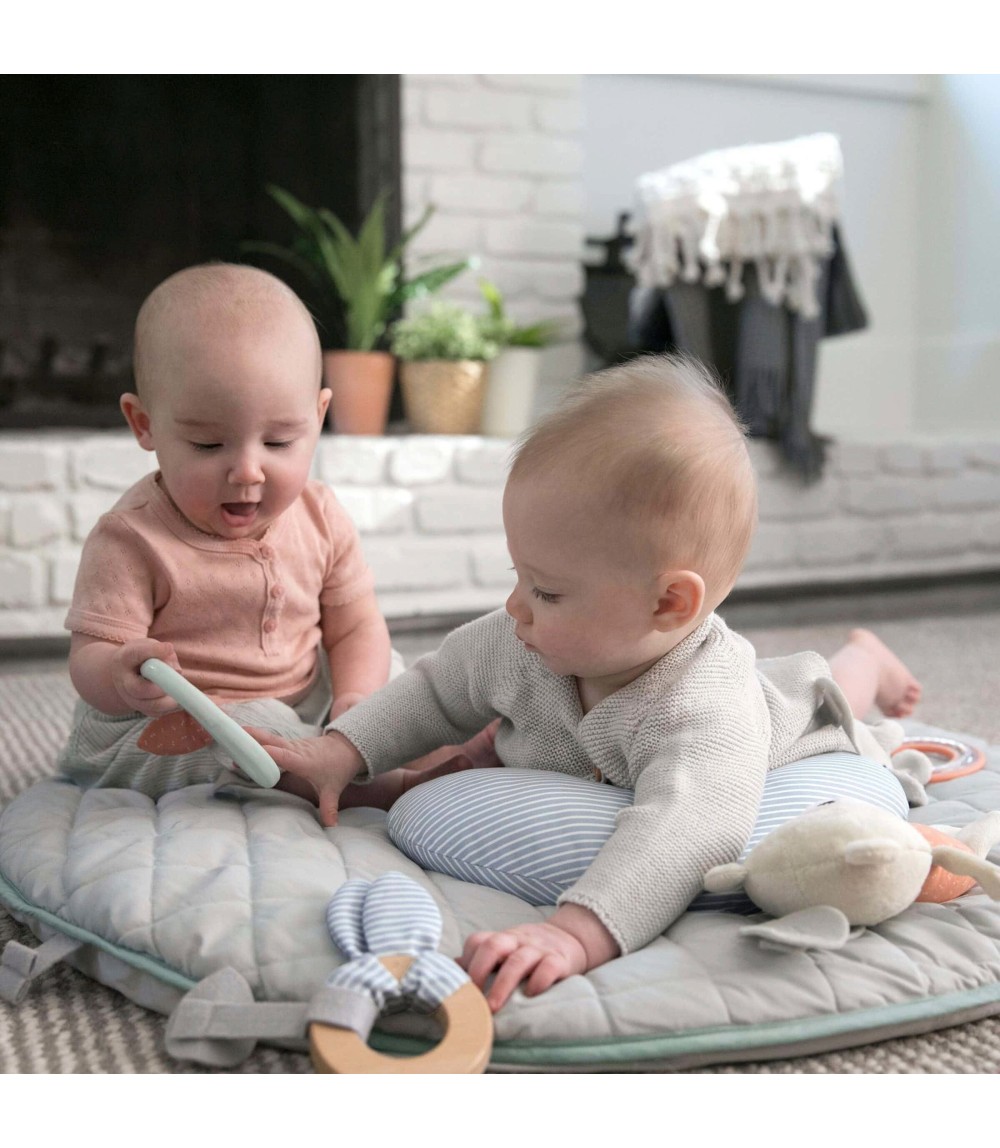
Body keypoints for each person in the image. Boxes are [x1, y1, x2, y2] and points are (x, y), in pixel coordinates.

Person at [253, 352, 926, 1012]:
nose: (515, 605)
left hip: (791, 730)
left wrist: (574, 932)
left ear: (668, 605)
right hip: (623, 744)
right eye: (519, 574)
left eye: (544, 589)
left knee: (835, 692)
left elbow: (687, 831)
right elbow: (435, 688)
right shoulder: (524, 637)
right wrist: (339, 753)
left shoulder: (706, 706)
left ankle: (866, 658)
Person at [58, 262, 490, 802]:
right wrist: (119, 674)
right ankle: (385, 788)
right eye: (208, 446)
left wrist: (357, 699)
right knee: (250, 734)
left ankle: (430, 749)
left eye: (280, 442)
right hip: (179, 722)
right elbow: (90, 660)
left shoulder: (320, 515)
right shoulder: (131, 540)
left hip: (308, 696)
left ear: (318, 414)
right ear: (144, 424)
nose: (247, 471)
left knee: (404, 679)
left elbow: (355, 626)